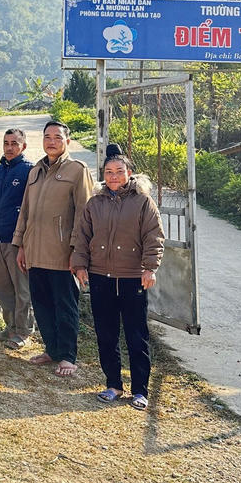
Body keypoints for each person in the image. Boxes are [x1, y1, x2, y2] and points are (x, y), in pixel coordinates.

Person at [71, 154, 164, 411]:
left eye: (119, 171)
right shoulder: (95, 202)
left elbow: (154, 237)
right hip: (101, 277)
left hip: (132, 277)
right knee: (106, 334)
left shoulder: (143, 202)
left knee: (136, 335)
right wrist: (79, 265)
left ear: (129, 173)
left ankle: (140, 391)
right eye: (109, 171)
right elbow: (82, 236)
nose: (113, 176)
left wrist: (150, 268)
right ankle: (113, 384)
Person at [12, 120, 93, 377]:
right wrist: (21, 245)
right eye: (47, 136)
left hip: (62, 255)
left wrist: (77, 252)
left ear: (67, 141)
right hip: (35, 252)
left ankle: (68, 356)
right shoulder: (36, 170)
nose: (51, 141)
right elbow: (25, 211)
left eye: (57, 137)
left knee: (64, 306)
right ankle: (52, 350)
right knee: (42, 304)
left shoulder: (77, 170)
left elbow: (85, 213)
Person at [0, 128, 34, 348]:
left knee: (22, 288)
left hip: (16, 241)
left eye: (14, 143)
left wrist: (24, 241)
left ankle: (23, 331)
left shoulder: (29, 172)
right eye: (6, 143)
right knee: (2, 287)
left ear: (23, 146)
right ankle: (9, 328)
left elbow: (32, 209)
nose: (9, 148)